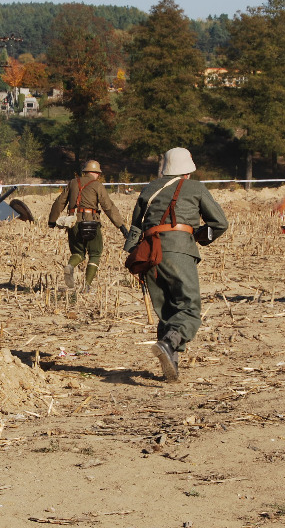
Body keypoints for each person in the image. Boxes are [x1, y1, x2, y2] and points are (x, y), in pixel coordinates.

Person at [124, 147, 228, 381]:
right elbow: (220, 223)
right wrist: (200, 237)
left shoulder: (149, 188)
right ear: (188, 170)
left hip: (150, 254)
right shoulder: (195, 187)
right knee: (189, 309)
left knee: (167, 313)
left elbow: (135, 227)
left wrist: (132, 253)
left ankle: (171, 367)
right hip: (179, 251)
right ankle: (170, 345)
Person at [47, 160, 128, 291]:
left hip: (73, 223)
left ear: (85, 171)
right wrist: (121, 226)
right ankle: (87, 285)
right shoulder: (97, 185)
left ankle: (70, 266)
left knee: (78, 252)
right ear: (96, 173)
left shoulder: (73, 183)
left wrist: (52, 221)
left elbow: (59, 202)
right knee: (95, 254)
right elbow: (108, 207)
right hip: (91, 224)